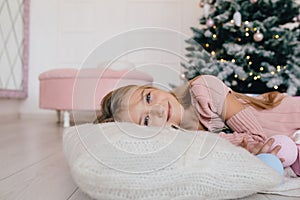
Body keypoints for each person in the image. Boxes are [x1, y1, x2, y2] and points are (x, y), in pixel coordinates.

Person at [95, 75, 300, 175]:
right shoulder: (180, 145)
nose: (157, 109)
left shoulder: (203, 90)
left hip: (292, 115)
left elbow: (257, 139)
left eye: (148, 97)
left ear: (152, 87)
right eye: (146, 120)